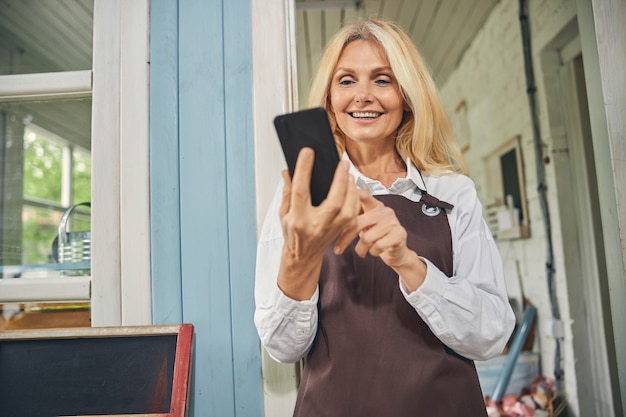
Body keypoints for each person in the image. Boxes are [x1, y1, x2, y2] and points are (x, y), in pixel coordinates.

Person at [254, 18, 516, 417]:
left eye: (382, 80)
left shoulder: (452, 191)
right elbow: (282, 347)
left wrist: (407, 261)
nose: (362, 96)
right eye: (346, 81)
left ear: (407, 96)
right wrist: (301, 256)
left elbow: (492, 336)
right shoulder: (300, 196)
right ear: (329, 99)